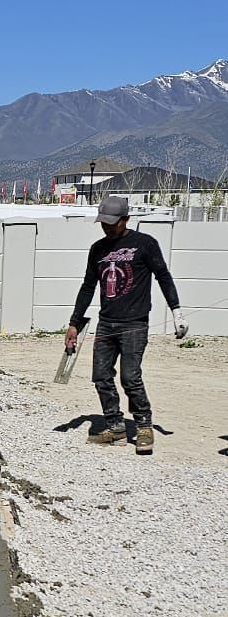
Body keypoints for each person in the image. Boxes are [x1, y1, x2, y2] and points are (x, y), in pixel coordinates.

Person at [65, 193, 187, 455]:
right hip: (106, 323)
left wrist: (176, 311)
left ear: (126, 218)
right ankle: (116, 427)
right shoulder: (98, 249)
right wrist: (74, 323)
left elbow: (163, 277)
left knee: (130, 377)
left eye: (113, 223)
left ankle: (144, 427)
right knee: (101, 376)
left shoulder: (144, 244)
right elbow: (88, 287)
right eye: (104, 223)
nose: (108, 227)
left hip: (134, 323)